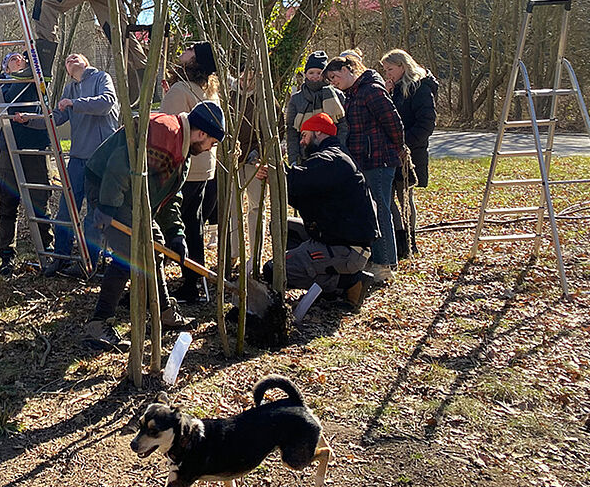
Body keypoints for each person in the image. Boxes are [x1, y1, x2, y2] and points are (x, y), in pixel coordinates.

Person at [81, 101, 226, 351]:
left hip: (134, 198)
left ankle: (164, 311)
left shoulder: (183, 152)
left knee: (155, 248)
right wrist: (106, 206)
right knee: (130, 253)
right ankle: (98, 323)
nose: (211, 148)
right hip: (108, 187)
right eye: (212, 143)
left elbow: (169, 197)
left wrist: (175, 233)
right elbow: (119, 164)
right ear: (201, 133)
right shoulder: (164, 132)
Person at [257, 113, 379, 308]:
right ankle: (326, 274)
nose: (302, 142)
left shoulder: (331, 160)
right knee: (282, 227)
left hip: (346, 248)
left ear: (318, 132)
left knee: (273, 271)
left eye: (305, 135)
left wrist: (276, 172)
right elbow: (302, 193)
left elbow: (298, 181)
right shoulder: (335, 157)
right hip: (336, 237)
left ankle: (346, 283)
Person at [17, 52, 120, 278]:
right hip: (77, 158)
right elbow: (56, 118)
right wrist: (30, 119)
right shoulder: (69, 89)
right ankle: (61, 258)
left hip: (101, 159)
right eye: (66, 60)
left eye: (76, 57)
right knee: (65, 210)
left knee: (93, 215)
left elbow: (107, 103)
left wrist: (75, 103)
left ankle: (89, 264)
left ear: (86, 62)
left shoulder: (102, 78)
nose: (70, 59)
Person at [324, 53, 405, 284]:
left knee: (380, 211)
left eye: (335, 75)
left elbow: (393, 122)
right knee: (371, 211)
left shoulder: (370, 90)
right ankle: (376, 259)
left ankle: (386, 263)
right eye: (330, 79)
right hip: (362, 161)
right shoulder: (350, 95)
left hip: (379, 161)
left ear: (349, 70)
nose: (333, 81)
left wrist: (398, 149)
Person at [159, 42, 220, 303]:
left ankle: (181, 283)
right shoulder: (208, 91)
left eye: (190, 50)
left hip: (183, 166)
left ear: (195, 61)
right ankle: (193, 279)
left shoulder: (180, 89)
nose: (183, 51)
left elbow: (167, 129)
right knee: (194, 223)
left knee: (174, 223)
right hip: (205, 168)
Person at [0, 51, 54, 276]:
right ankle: (6, 258)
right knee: (7, 203)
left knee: (40, 201)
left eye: (21, 56)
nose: (18, 58)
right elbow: (6, 103)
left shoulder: (35, 79)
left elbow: (43, 66)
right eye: (12, 59)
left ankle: (47, 250)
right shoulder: (4, 86)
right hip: (9, 147)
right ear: (6, 70)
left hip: (35, 145)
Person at [380, 48, 438, 258]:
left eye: (390, 69)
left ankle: (410, 240)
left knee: (405, 197)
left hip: (410, 152)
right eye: (385, 70)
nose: (387, 74)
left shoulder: (421, 89)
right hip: (390, 152)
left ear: (403, 66)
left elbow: (426, 123)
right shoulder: (392, 89)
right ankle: (399, 238)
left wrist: (404, 144)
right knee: (387, 197)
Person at [230, 67, 267, 268]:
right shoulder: (231, 97)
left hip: (255, 161)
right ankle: (234, 253)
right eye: (244, 76)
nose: (246, 81)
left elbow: (275, 132)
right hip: (233, 160)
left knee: (256, 208)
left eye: (251, 78)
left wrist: (260, 157)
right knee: (233, 208)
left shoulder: (264, 100)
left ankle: (256, 257)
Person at [285, 50, 348, 165]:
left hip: (332, 155)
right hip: (304, 155)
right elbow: (292, 131)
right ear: (305, 74)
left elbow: (343, 125)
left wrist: (340, 150)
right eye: (311, 72)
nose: (315, 76)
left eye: (319, 73)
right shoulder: (296, 99)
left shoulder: (337, 95)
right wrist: (293, 159)